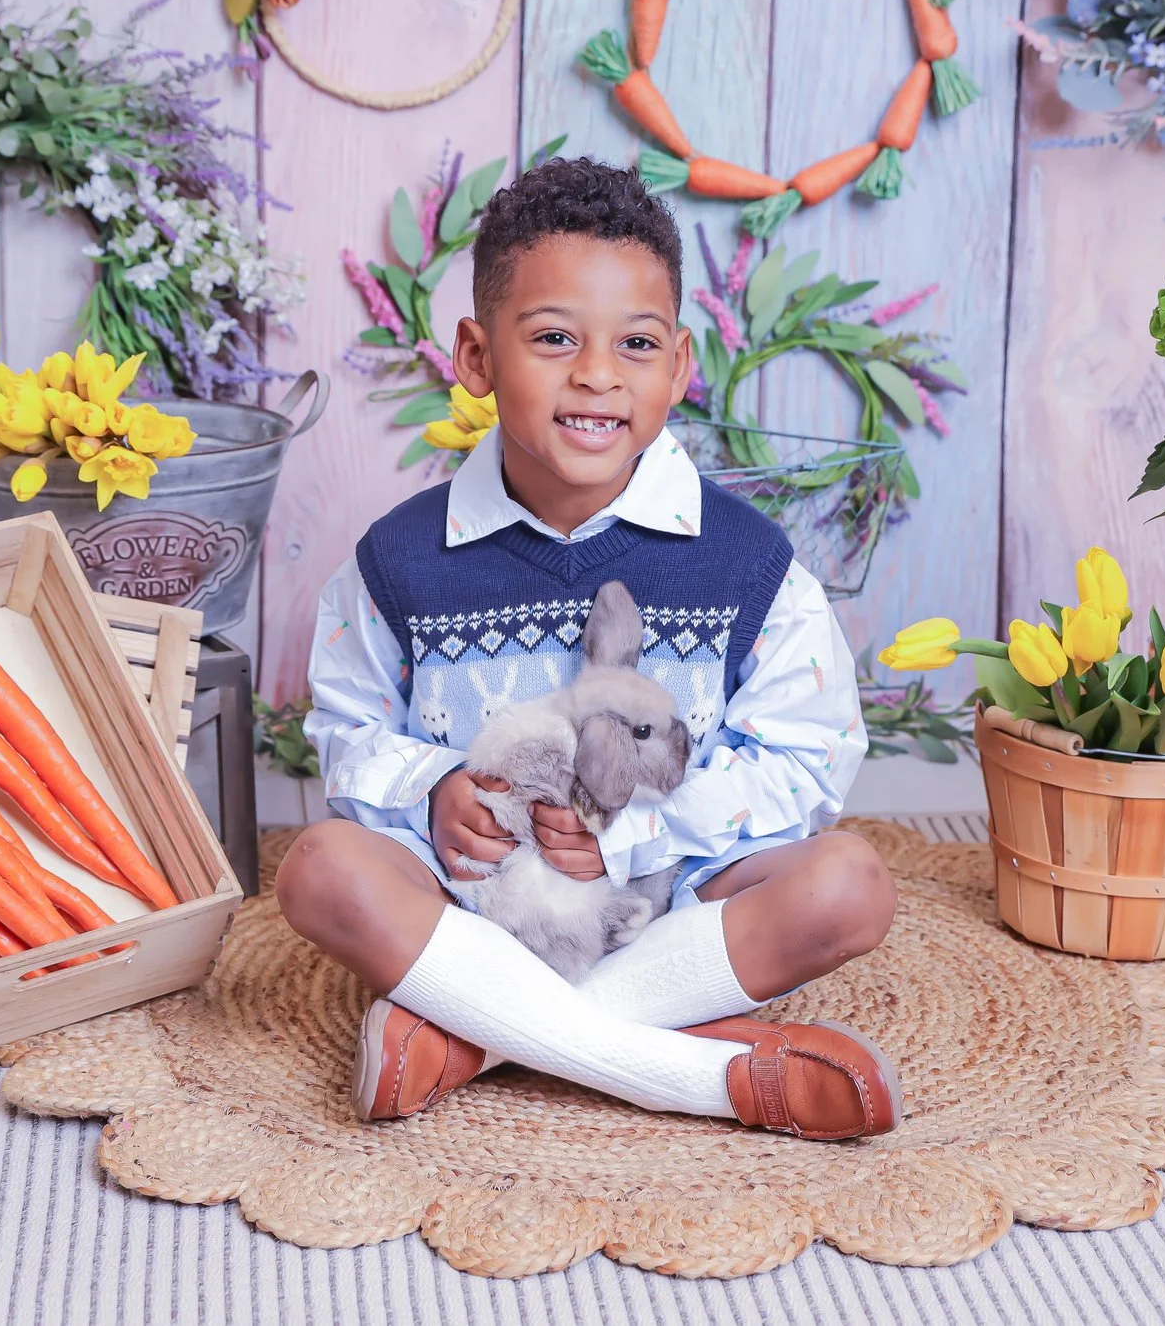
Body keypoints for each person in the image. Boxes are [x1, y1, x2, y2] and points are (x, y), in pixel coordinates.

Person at [277, 155, 901, 1141]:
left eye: (636, 343)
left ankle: (472, 1034)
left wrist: (628, 834)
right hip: (470, 897)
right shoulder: (398, 561)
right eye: (554, 337)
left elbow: (807, 756)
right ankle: (692, 1073)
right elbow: (347, 730)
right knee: (319, 866)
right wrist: (433, 784)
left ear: (681, 365)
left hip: (673, 899)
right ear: (477, 358)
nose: (598, 374)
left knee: (851, 884)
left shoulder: (747, 563)